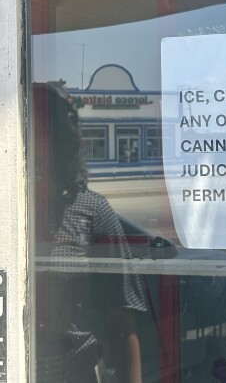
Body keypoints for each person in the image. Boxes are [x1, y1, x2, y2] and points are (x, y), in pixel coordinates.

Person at [34, 82, 148, 383]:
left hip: (76, 371)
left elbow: (122, 319)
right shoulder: (0, 214)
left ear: (63, 143)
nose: (35, 149)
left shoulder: (92, 210)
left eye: (44, 136)